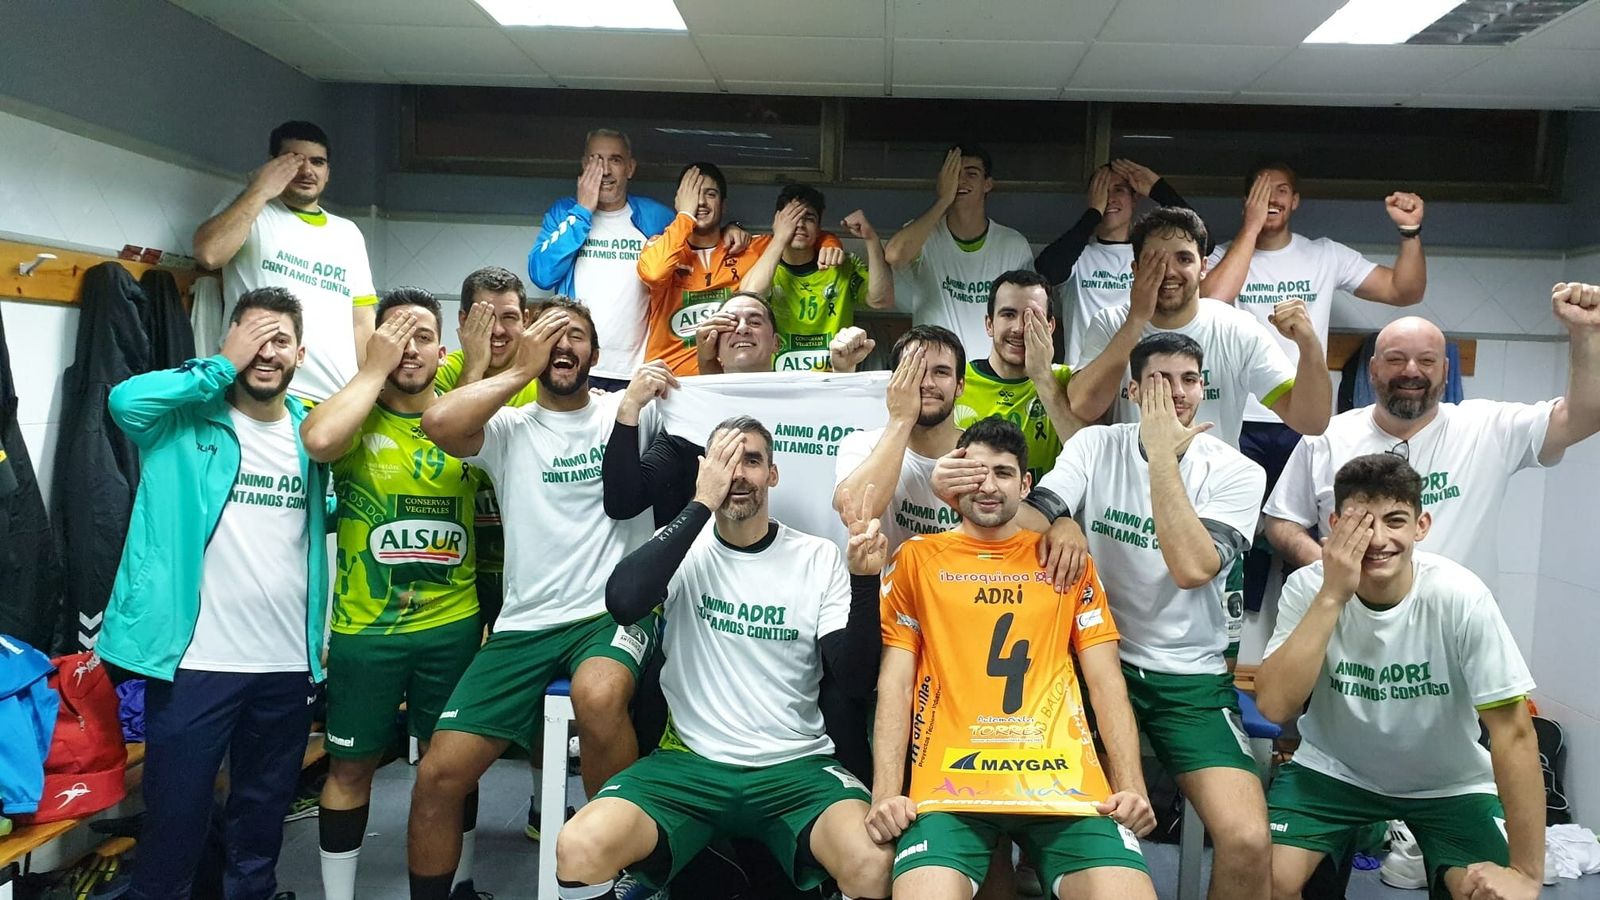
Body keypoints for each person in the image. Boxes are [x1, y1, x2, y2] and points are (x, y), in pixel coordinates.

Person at [556, 416, 892, 900]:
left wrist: (864, 582)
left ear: (772, 474)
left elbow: (857, 679)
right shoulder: (682, 549)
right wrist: (700, 503)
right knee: (578, 846)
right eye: (724, 461)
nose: (738, 473)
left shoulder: (816, 557)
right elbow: (623, 602)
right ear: (705, 471)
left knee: (874, 863)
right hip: (689, 765)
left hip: (794, 767)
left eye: (751, 460)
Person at [407, 298, 662, 900]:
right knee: (439, 776)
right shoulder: (509, 427)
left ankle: (621, 873)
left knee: (597, 696)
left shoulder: (626, 415)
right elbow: (438, 423)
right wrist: (519, 367)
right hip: (523, 625)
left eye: (575, 336)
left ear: (595, 355)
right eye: (550, 336)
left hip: (610, 614)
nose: (563, 346)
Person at [1021, 333, 1273, 899]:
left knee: (1250, 840)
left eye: (1189, 380)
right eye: (1160, 380)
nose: (1178, 393)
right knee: (1095, 828)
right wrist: (1064, 521)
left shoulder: (1236, 472)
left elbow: (1191, 566)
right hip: (1094, 664)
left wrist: (1162, 455)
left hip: (1191, 681)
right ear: (1133, 390)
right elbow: (1029, 521)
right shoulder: (1096, 446)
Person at [97, 288, 329, 900]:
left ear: (300, 354)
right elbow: (124, 399)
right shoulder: (179, 422)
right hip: (195, 663)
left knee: (260, 827)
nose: (266, 351)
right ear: (228, 343)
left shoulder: (314, 433)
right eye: (252, 336)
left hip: (285, 665)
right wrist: (218, 367)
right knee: (174, 826)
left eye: (280, 339)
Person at [868, 417, 1157, 900]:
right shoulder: (916, 560)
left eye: (1002, 473)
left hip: (1063, 785)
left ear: (1025, 485)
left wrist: (1132, 787)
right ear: (955, 478)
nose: (987, 485)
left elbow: (1107, 682)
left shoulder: (1063, 560)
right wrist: (886, 794)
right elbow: (894, 685)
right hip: (949, 787)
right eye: (975, 472)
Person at [1256, 453, 1544, 900]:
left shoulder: (1460, 596)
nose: (1378, 539)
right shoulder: (1309, 587)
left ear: (1421, 526)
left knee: (1489, 894)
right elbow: (1274, 706)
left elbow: (1514, 733)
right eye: (1360, 523)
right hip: (1333, 773)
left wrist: (1527, 872)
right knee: (1265, 880)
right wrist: (1333, 594)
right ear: (1333, 524)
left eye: (1395, 521)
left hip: (1448, 784)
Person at [298, 289, 485, 900]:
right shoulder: (356, 414)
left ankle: (459, 886)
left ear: (442, 350)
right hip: (366, 632)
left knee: (451, 767)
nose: (411, 346)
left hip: (452, 627)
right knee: (350, 769)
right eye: (396, 334)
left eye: (423, 335)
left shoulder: (465, 417)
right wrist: (372, 368)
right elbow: (318, 441)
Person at [1201, 162, 1427, 614]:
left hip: (1302, 418)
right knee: (1231, 531)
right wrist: (1249, 227)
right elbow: (1210, 301)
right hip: (1236, 419)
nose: (1273, 199)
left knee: (1297, 531)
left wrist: (1410, 232)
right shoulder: (1226, 256)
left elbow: (1404, 291)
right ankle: (1235, 640)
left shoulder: (1324, 254)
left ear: (1296, 201)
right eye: (1262, 192)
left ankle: (1306, 623)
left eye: (1281, 190)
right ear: (1248, 201)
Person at [1265, 290, 1600, 595]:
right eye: (1396, 359)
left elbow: (1580, 419)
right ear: (1372, 369)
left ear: (1445, 369)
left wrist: (1586, 335)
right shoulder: (1327, 437)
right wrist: (1323, 563)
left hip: (1454, 636)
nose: (1411, 371)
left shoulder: (1487, 428)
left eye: (1426, 361)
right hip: (1348, 628)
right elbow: (1281, 521)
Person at [1068, 206, 1332, 451]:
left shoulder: (1237, 329)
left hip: (1211, 493)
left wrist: (1309, 346)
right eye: (1154, 260)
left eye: (1183, 259)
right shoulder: (1109, 323)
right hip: (1128, 489)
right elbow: (1083, 406)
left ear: (1203, 267)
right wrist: (1136, 319)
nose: (1168, 271)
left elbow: (1311, 422)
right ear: (1135, 269)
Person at [608, 292, 874, 529]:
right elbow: (624, 503)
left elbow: (845, 460)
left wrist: (844, 377)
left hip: (803, 567)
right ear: (714, 346)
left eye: (755, 321)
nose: (743, 329)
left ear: (776, 343)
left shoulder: (809, 404)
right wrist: (629, 408)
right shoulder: (691, 413)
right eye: (730, 324)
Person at [528, 129, 746, 382]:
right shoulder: (565, 212)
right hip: (577, 365)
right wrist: (582, 211)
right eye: (596, 160)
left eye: (615, 160)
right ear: (584, 164)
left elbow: (697, 236)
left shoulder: (656, 217)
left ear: (630, 168)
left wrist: (733, 227)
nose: (605, 170)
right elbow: (542, 275)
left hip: (638, 371)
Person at [193, 120, 378, 405]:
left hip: (334, 401)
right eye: (294, 161)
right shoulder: (248, 209)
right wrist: (260, 188)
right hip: (259, 394)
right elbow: (209, 254)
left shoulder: (348, 233)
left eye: (317, 162)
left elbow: (362, 323)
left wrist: (370, 390)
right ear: (272, 164)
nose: (307, 171)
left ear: (328, 172)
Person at [639, 163, 843, 374]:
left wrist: (830, 242)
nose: (700, 202)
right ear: (679, 201)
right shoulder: (661, 246)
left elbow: (800, 239)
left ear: (723, 204)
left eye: (710, 194)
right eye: (693, 194)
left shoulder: (751, 248)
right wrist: (685, 217)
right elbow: (654, 273)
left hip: (724, 382)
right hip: (669, 381)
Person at [436, 266, 538, 632]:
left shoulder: (543, 376)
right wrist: (474, 368)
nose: (497, 331)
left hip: (525, 567)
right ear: (463, 321)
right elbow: (445, 447)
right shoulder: (444, 373)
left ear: (526, 320)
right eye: (484, 318)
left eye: (509, 317)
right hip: (458, 567)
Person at [1034, 159, 1193, 364]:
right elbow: (1046, 270)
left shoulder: (1151, 254)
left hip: (1137, 378)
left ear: (1135, 198)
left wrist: (1157, 188)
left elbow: (1202, 242)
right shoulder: (1077, 255)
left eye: (1119, 190)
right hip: (1084, 380)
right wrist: (1093, 214)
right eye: (1102, 191)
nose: (1110, 198)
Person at [885, 145, 1036, 359]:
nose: (960, 181)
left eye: (971, 174)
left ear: (988, 184)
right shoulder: (924, 233)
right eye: (953, 174)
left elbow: (1028, 313)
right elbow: (894, 255)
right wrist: (943, 200)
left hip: (993, 374)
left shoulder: (1013, 244)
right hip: (934, 370)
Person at [727, 184, 892, 372]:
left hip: (833, 380)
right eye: (792, 218)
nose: (799, 224)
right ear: (777, 221)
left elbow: (882, 300)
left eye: (809, 218)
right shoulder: (765, 267)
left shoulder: (842, 265)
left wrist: (871, 238)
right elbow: (749, 296)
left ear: (819, 227)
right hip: (779, 383)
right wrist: (780, 237)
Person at [833, 325, 967, 554]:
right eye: (915, 371)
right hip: (883, 589)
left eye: (941, 372)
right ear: (894, 382)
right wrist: (901, 420)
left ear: (960, 386)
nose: (927, 383)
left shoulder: (980, 454)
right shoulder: (861, 444)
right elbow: (854, 513)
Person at [952, 269, 1084, 485]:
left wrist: (1042, 376)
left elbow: (1089, 455)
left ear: (1050, 326)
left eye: (1033, 316)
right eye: (1008, 314)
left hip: (1045, 514)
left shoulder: (1069, 381)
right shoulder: (957, 382)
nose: (1019, 328)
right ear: (989, 324)